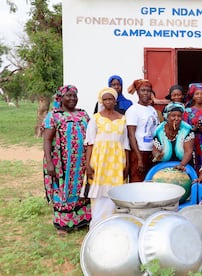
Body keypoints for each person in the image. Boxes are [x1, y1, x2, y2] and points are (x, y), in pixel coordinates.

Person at [42, 85, 91, 235]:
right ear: (61, 98)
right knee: (63, 189)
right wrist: (49, 162)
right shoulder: (54, 115)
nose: (72, 99)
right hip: (61, 164)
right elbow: (47, 140)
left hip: (81, 162)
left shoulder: (83, 114)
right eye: (68, 96)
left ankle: (81, 220)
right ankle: (63, 224)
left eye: (74, 96)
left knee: (81, 189)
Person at [82, 88, 130, 229]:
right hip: (100, 159)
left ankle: (113, 225)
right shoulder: (96, 119)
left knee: (115, 191)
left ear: (115, 101)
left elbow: (125, 143)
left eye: (111, 99)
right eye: (106, 99)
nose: (108, 101)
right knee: (99, 192)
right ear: (101, 101)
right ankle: (98, 226)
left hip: (117, 160)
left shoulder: (122, 119)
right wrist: (88, 165)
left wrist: (126, 164)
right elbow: (90, 143)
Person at [125, 79, 159, 182]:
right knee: (138, 181)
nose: (145, 93)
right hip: (139, 152)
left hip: (151, 153)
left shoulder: (152, 110)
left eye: (148, 90)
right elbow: (131, 135)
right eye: (142, 90)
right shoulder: (133, 110)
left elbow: (156, 131)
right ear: (137, 92)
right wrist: (139, 158)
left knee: (150, 181)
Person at [153, 102, 195, 170]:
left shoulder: (187, 129)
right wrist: (157, 155)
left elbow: (188, 151)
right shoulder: (159, 130)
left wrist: (181, 165)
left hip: (184, 164)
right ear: (167, 116)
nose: (176, 118)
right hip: (163, 166)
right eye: (173, 116)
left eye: (179, 116)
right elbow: (155, 149)